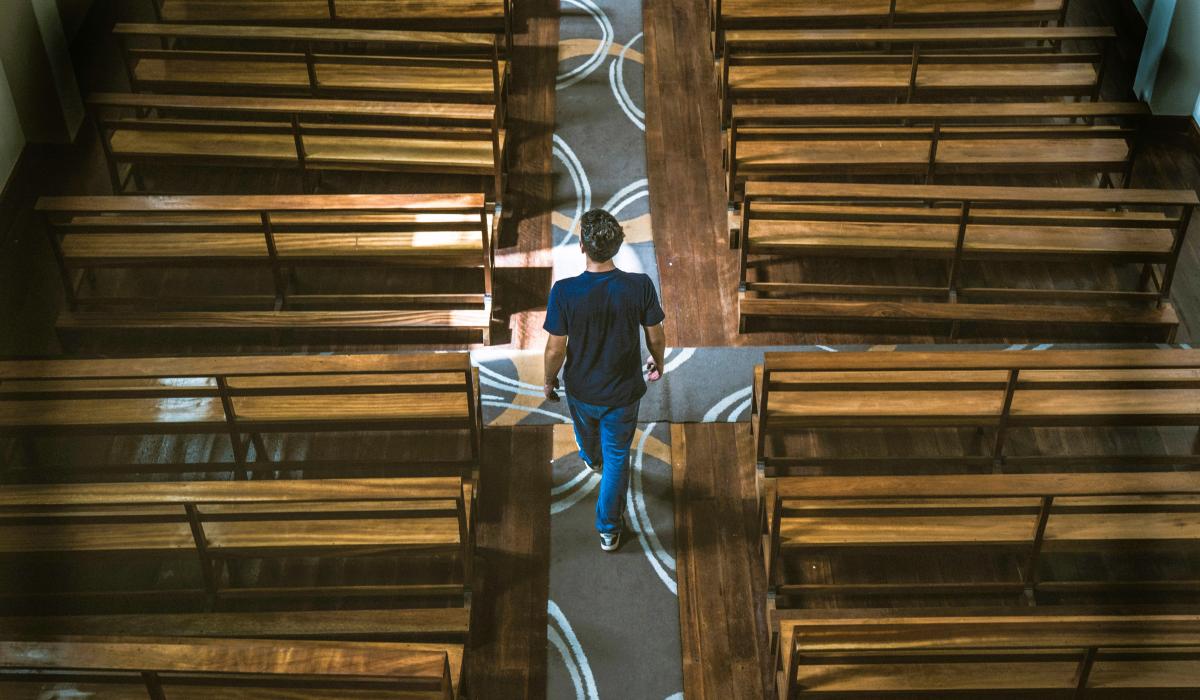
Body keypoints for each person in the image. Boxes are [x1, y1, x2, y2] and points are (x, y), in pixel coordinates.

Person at [542, 208, 667, 552]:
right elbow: (655, 335)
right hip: (624, 393)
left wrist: (548, 380)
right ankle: (609, 529)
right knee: (618, 459)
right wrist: (658, 361)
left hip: (581, 388)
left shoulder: (564, 291)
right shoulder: (639, 286)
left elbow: (555, 348)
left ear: (582, 245)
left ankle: (589, 455)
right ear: (617, 244)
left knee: (588, 436)